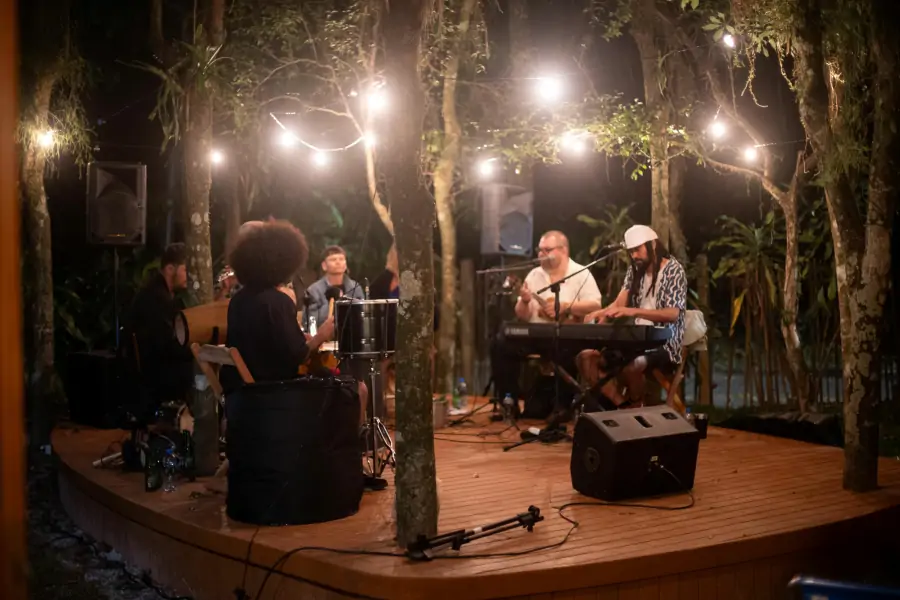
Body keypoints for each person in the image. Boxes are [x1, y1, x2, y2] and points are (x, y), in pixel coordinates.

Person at [490, 231, 603, 413]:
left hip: (568, 337)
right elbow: (523, 315)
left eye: (547, 250)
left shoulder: (581, 273)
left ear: (563, 250)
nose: (541, 254)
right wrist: (525, 300)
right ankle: (509, 399)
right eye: (539, 250)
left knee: (565, 350)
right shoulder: (534, 275)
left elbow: (595, 304)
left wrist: (566, 307)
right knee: (500, 344)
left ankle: (563, 404)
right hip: (537, 336)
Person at [579, 224, 687, 408]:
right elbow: (620, 303)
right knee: (586, 358)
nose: (634, 256)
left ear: (652, 245)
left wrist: (633, 311)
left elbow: (673, 313)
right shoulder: (635, 270)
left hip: (666, 342)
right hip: (635, 339)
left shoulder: (674, 271)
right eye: (630, 252)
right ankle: (623, 406)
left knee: (632, 366)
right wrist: (602, 312)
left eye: (637, 250)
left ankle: (636, 404)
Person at [122, 243, 195, 414]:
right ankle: (191, 433)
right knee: (202, 372)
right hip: (155, 373)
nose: (189, 276)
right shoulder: (155, 298)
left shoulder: (161, 293)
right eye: (185, 270)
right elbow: (165, 345)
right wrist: (196, 350)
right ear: (170, 269)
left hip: (158, 366)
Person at [303, 245, 365, 329]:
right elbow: (311, 322)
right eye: (333, 259)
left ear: (346, 265)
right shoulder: (314, 290)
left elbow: (363, 315)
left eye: (341, 259)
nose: (338, 262)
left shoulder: (355, 287)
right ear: (324, 266)